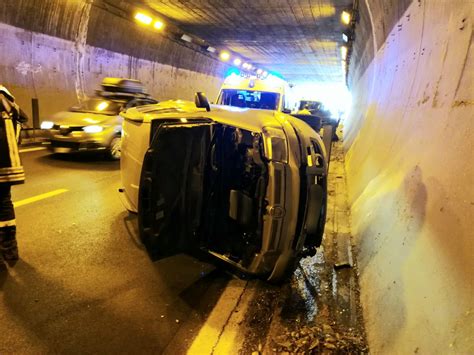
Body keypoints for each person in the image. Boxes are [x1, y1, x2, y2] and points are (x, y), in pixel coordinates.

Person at [0, 85, 27, 267]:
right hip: (6, 161)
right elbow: (23, 117)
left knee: (3, 204)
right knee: (4, 203)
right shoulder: (5, 96)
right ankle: (10, 250)